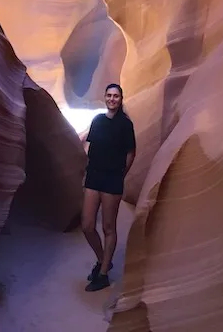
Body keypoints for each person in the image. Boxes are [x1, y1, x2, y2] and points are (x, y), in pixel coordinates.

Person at [81, 83, 136, 292]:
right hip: (94, 176)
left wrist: (121, 174)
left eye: (116, 96)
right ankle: (103, 259)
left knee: (108, 227)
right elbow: (91, 145)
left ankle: (103, 274)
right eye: (109, 95)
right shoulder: (98, 121)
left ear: (121, 99)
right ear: (105, 98)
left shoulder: (125, 125)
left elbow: (131, 153)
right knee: (87, 225)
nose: (112, 99)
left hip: (112, 179)